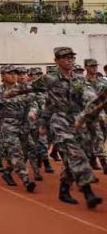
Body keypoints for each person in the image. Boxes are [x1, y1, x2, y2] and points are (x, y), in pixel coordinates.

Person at [37, 47, 102, 208]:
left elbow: (90, 96)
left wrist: (96, 112)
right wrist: (8, 94)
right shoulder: (49, 78)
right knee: (76, 155)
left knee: (77, 157)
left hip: (79, 122)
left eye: (72, 57)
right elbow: (27, 87)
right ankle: (88, 193)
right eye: (65, 58)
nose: (70, 60)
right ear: (56, 61)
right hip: (60, 122)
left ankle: (64, 190)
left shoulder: (80, 79)